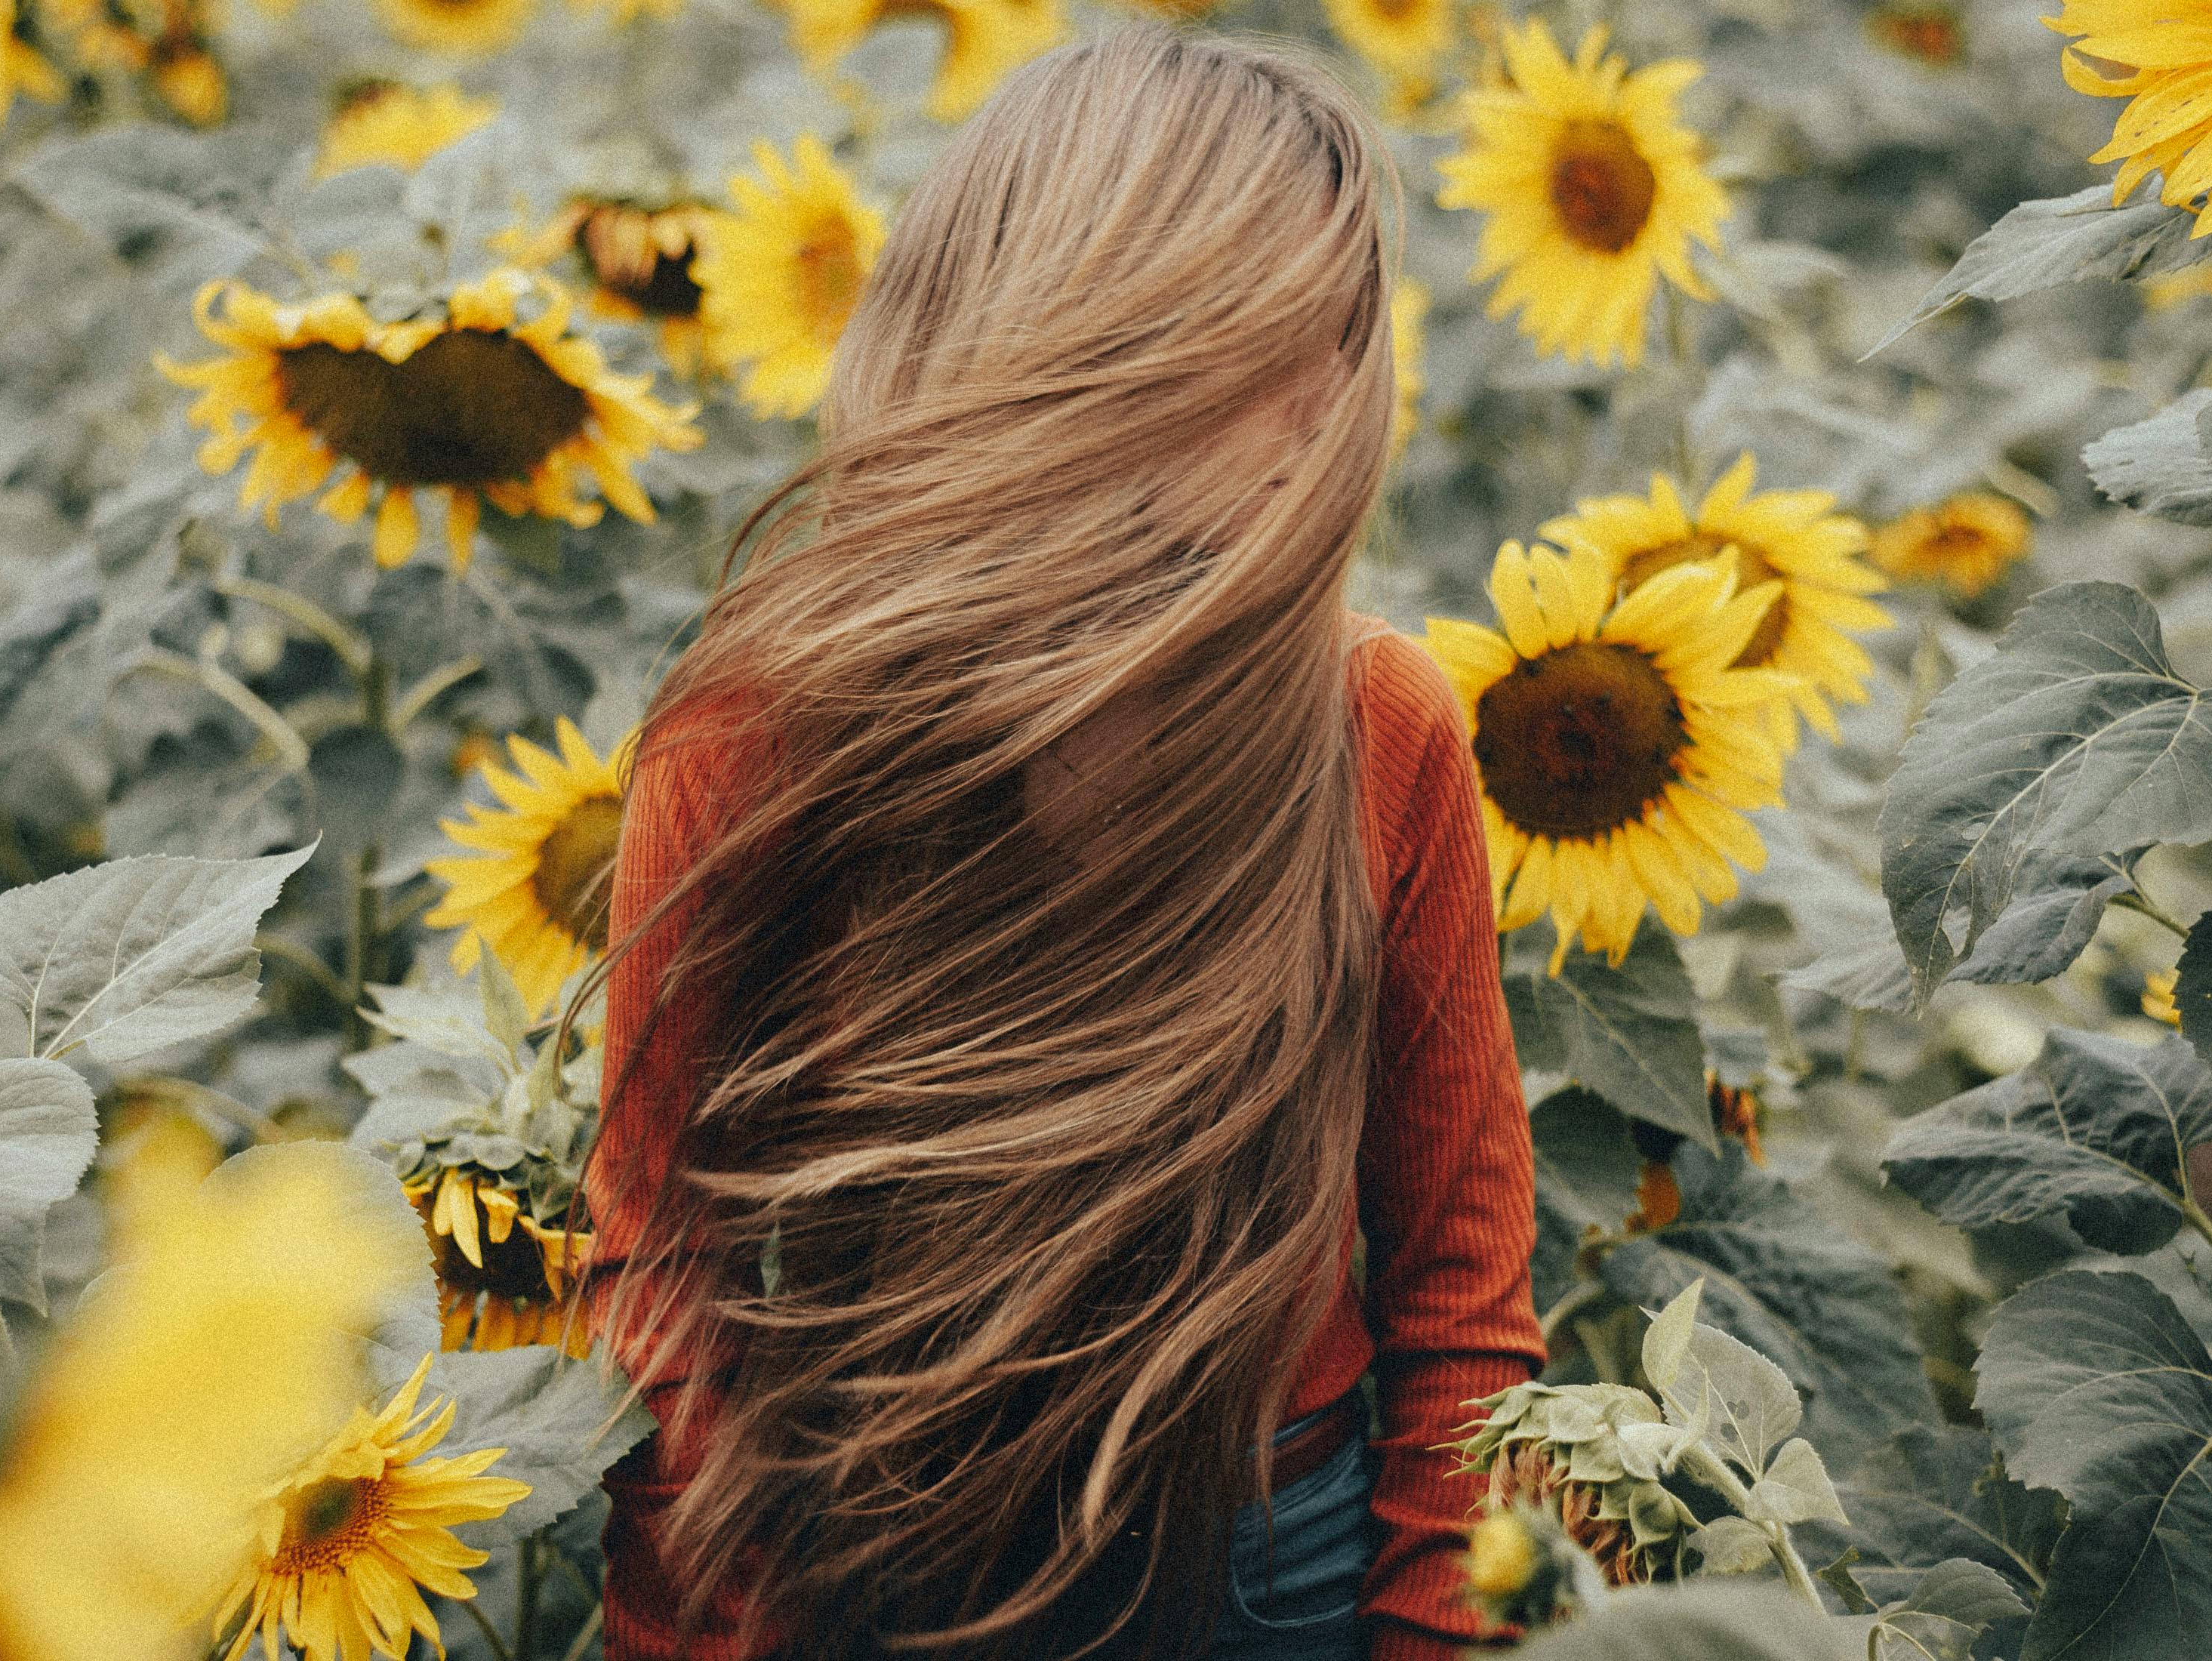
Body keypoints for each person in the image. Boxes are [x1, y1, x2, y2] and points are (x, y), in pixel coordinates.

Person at [577, 26, 1545, 1661]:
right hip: (860, 1545)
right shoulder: (754, 737)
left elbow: (1462, 1295)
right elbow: (663, 1280)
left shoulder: (1375, 723)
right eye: (1270, 336)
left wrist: (1438, 1637)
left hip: (1268, 1553)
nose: (1330, 397)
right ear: (1086, 336)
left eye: (1341, 334)